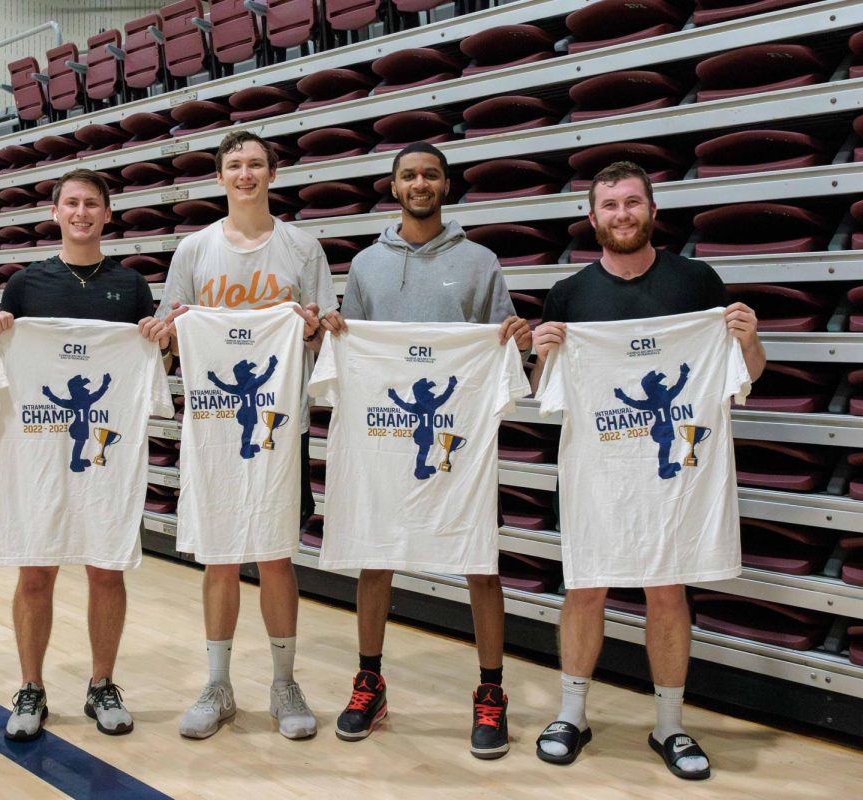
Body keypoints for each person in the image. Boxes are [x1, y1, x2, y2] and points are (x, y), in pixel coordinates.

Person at [530, 160, 765, 778]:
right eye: (610, 205)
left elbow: (747, 377)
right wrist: (542, 354)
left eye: (633, 203)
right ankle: (572, 713)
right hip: (597, 474)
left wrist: (746, 340)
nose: (622, 215)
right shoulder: (571, 294)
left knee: (667, 590)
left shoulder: (697, 283)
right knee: (585, 586)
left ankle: (670, 725)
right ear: (592, 217)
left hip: (675, 478)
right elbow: (543, 391)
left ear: (652, 211)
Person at [319, 142, 532, 754]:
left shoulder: (479, 260)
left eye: (430, 175)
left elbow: (504, 344)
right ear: (393, 187)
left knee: (479, 559)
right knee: (375, 555)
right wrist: (336, 329)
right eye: (409, 175)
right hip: (383, 436)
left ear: (445, 184)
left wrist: (514, 335)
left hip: (456, 438)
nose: (420, 183)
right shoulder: (365, 265)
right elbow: (350, 345)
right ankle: (369, 682)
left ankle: (491, 692)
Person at [0, 169, 172, 740]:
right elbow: (1, 354)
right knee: (35, 571)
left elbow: (149, 367)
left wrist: (156, 338)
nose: (81, 213)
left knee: (106, 568)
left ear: (107, 215)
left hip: (104, 458)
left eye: (92, 204)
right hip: (37, 453)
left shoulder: (131, 286)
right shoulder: (25, 285)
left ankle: (101, 685)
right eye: (71, 204)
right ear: (56, 212)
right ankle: (31, 688)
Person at [156, 130, 334, 740]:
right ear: (220, 177)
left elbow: (321, 336)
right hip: (211, 425)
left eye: (256, 163)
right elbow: (167, 334)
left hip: (280, 425)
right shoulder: (195, 249)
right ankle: (218, 683)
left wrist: (312, 329)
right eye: (235, 165)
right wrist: (171, 329)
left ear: (273, 173)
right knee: (220, 555)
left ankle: (284, 682)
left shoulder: (302, 248)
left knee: (277, 553)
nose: (246, 174)